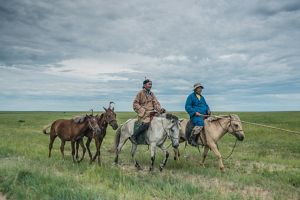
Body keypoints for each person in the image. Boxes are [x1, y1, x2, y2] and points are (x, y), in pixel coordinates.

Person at [132, 79, 166, 143]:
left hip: (152, 113)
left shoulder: (151, 94)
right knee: (147, 123)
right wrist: (142, 110)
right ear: (144, 85)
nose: (150, 86)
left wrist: (160, 109)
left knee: (163, 120)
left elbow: (155, 103)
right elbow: (135, 103)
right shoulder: (140, 93)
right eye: (149, 84)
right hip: (144, 113)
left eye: (151, 84)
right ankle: (135, 136)